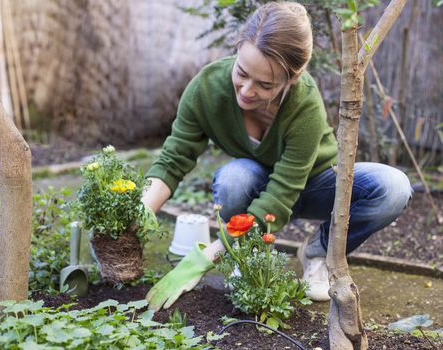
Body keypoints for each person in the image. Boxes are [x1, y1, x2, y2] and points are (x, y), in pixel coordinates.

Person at [142, 1, 412, 310]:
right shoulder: (206, 89)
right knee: (234, 178)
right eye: (241, 72)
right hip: (256, 185)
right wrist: (138, 215)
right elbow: (174, 158)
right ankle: (249, 254)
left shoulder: (304, 104)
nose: (246, 90)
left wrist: (212, 252)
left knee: (394, 188)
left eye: (265, 84)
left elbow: (282, 193)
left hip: (314, 185)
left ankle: (317, 252)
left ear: (292, 78)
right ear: (238, 49)